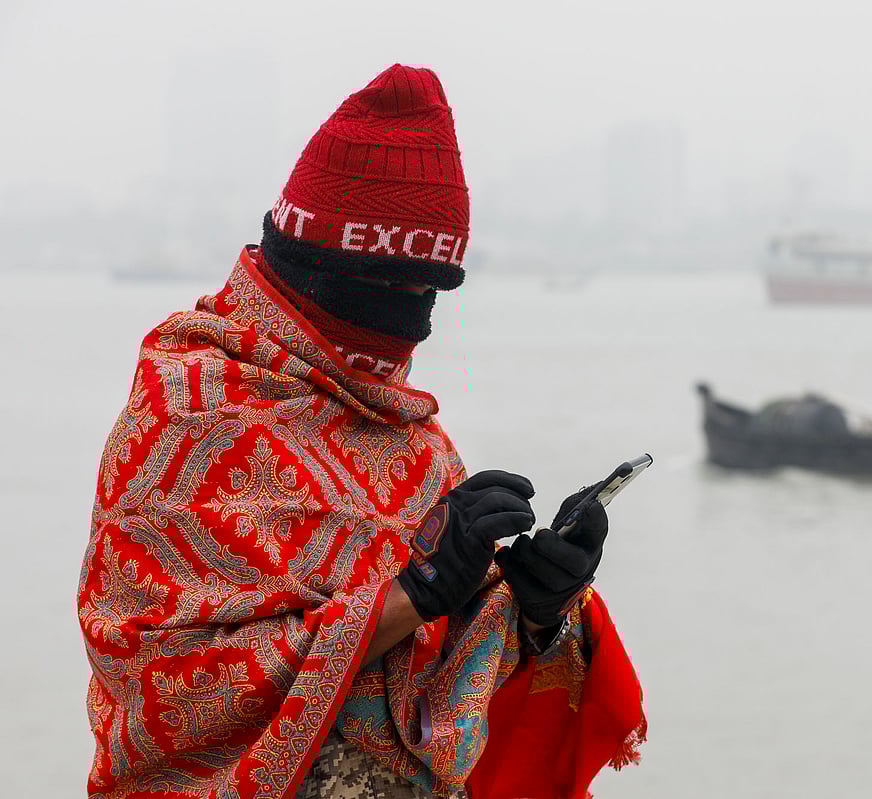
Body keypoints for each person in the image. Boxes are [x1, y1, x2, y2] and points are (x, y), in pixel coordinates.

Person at [77, 64, 644, 799]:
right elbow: (170, 690)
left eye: (431, 291)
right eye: (393, 287)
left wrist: (532, 607)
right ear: (320, 264)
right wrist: (417, 588)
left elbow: (439, 692)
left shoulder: (420, 445)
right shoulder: (185, 414)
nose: (413, 315)